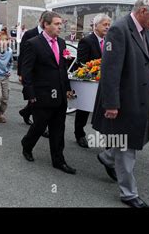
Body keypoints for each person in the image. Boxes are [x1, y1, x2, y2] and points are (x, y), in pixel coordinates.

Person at [92, 0, 149, 208]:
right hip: (124, 100)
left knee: (126, 141)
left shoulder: (144, 28)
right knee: (127, 148)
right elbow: (110, 70)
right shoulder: (118, 29)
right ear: (143, 11)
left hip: (139, 97)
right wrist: (111, 104)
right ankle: (129, 194)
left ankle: (106, 156)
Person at [20, 11, 76, 174]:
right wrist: (30, 95)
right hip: (42, 93)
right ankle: (27, 144)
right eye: (57, 24)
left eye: (61, 24)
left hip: (59, 93)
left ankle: (59, 160)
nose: (61, 27)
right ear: (46, 24)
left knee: (58, 128)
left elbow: (62, 69)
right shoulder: (33, 43)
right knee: (39, 125)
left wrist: (67, 89)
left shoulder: (61, 43)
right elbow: (27, 71)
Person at [73, 14, 111, 148]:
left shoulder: (109, 41)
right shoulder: (87, 41)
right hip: (89, 81)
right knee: (83, 109)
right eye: (104, 24)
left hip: (105, 82)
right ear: (95, 26)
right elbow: (82, 62)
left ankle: (106, 136)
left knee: (105, 109)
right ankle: (79, 133)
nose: (107, 27)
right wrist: (95, 69)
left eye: (108, 25)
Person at [18, 11, 48, 128]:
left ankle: (26, 112)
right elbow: (23, 54)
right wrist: (21, 73)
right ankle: (39, 126)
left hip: (43, 72)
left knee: (39, 97)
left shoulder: (50, 35)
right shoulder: (30, 34)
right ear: (41, 20)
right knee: (36, 97)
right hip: (31, 71)